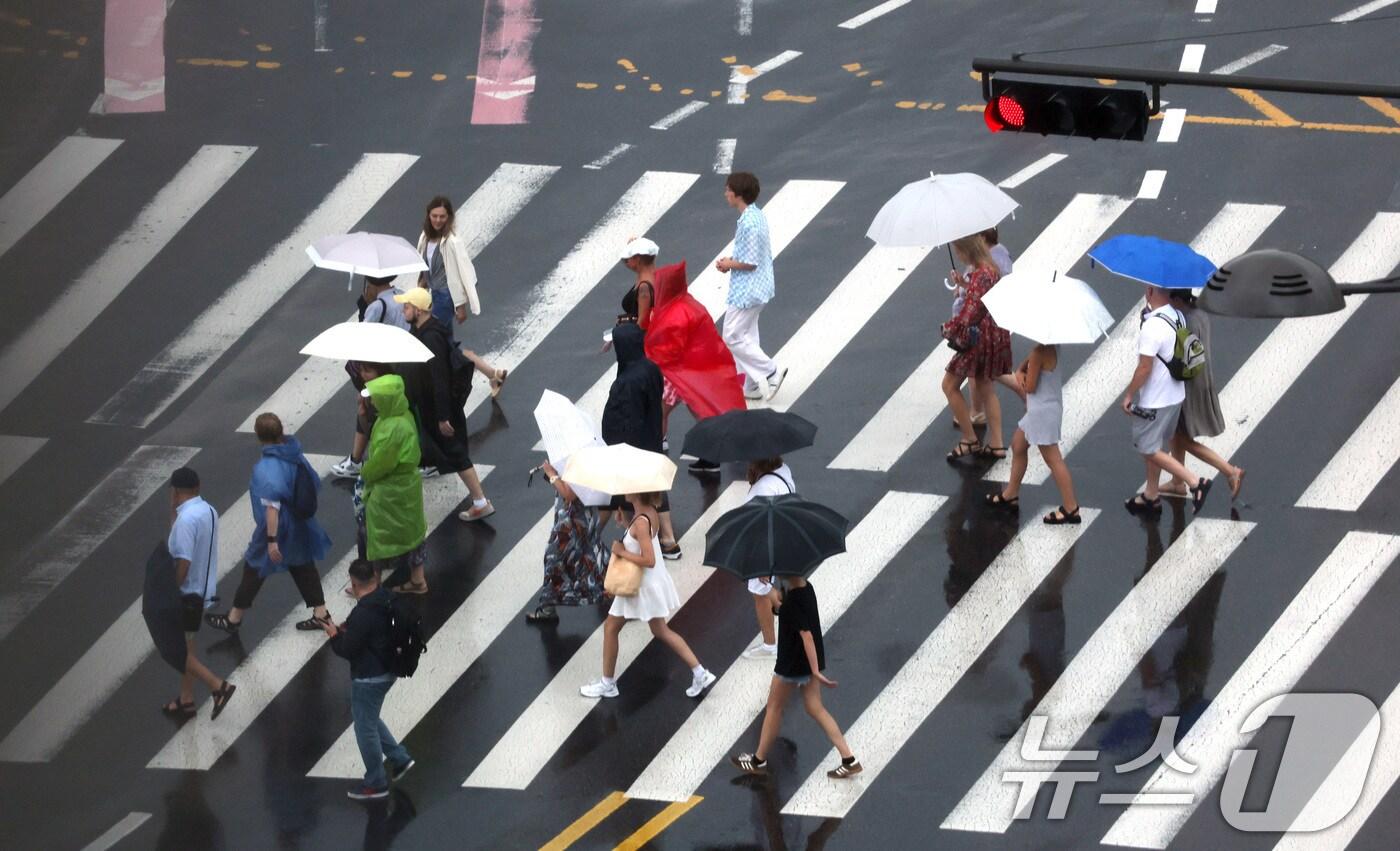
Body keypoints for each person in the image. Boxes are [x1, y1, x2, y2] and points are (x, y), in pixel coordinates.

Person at [206, 413, 334, 633]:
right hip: (299, 522)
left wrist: (272, 541)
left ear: (258, 435)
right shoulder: (294, 454)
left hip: (279, 527)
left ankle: (234, 618)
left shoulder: (268, 467)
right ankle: (321, 614)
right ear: (280, 430)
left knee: (255, 566)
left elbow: (272, 508)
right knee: (303, 565)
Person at [580, 492, 715, 699]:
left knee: (611, 627)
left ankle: (607, 683)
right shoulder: (648, 512)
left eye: (629, 488)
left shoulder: (642, 521)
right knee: (661, 631)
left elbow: (648, 559)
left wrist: (620, 551)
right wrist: (625, 522)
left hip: (640, 586)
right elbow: (638, 538)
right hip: (649, 584)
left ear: (637, 493)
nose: (624, 491)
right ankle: (700, 672)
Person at [730, 575, 861, 779]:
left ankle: (758, 760)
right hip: (806, 662)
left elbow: (806, 635)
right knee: (815, 707)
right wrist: (778, 602)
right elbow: (794, 618)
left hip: (791, 664)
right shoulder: (807, 589)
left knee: (774, 707)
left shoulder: (792, 602)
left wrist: (816, 670)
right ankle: (849, 759)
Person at [395, 287, 495, 523]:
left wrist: (442, 417)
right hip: (434, 406)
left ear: (418, 310)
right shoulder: (426, 329)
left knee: (456, 453)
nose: (403, 310)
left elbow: (439, 379)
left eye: (407, 307)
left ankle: (480, 501)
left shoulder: (431, 338)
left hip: (439, 409)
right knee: (452, 451)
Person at [324, 559, 414, 800]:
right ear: (375, 578)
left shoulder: (363, 613)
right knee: (369, 718)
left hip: (369, 677)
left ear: (354, 584)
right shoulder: (385, 598)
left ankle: (376, 782)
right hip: (390, 668)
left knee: (364, 728)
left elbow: (347, 649)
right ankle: (400, 758)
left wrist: (333, 634)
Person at [1121, 285, 1212, 515]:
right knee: (1156, 445)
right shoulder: (1177, 315)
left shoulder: (1152, 326)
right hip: (1175, 395)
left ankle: (1194, 482)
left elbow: (1144, 368)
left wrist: (1130, 394)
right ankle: (1151, 495)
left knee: (1148, 448)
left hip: (1155, 400)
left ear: (1150, 292)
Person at [601, 321, 681, 558]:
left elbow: (624, 419)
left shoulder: (626, 381)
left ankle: (628, 542)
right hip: (652, 440)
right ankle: (668, 540)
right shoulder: (651, 368)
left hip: (631, 449)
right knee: (654, 490)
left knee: (623, 497)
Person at [164, 467, 236, 719]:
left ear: (175, 491)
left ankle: (218, 686)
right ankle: (186, 698)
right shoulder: (208, 511)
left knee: (175, 651)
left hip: (186, 595)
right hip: (202, 593)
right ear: (197, 487)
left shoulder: (185, 521)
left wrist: (170, 591)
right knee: (188, 646)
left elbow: (182, 562)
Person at [416, 195, 507, 396]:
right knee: (445, 345)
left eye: (442, 216)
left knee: (438, 343)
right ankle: (493, 373)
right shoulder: (425, 237)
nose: (438, 220)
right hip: (434, 295)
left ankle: (486, 374)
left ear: (449, 217)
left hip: (445, 298)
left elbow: (460, 274)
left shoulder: (451, 242)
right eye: (434, 216)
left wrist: (460, 306)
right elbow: (424, 266)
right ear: (428, 215)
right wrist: (421, 285)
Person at [1160, 290, 1245, 501]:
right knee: (1176, 434)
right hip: (1202, 379)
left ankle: (1230, 471)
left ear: (1177, 299)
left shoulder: (1185, 322)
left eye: (1170, 299)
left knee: (1182, 437)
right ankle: (1177, 482)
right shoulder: (1200, 313)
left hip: (1188, 386)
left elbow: (1179, 354)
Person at [985, 345, 1082, 524]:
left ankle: (1071, 508)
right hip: (1047, 408)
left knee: (1053, 459)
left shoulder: (1038, 353)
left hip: (1041, 412)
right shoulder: (1053, 348)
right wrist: (1026, 365)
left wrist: (1020, 375)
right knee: (1018, 445)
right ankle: (1011, 494)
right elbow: (1032, 367)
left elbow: (1029, 387)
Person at [716, 172, 786, 403]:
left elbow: (751, 260)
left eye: (728, 190)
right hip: (758, 288)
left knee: (733, 336)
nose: (725, 194)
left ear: (738, 194)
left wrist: (728, 264)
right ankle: (752, 383)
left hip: (748, 291)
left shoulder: (750, 223)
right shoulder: (755, 215)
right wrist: (731, 262)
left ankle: (770, 371)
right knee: (748, 335)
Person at [943, 234, 1013, 462]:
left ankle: (969, 439)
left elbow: (970, 315)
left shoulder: (981, 275)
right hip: (992, 334)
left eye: (959, 251)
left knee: (949, 386)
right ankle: (997, 444)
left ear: (967, 250)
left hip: (978, 339)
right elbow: (980, 296)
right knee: (986, 387)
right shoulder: (988, 269)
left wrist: (948, 328)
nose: (958, 256)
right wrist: (965, 284)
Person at [360, 373, 430, 593]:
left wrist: (365, 472)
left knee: (377, 537)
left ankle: (373, 583)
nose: (372, 401)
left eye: (375, 397)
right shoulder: (401, 416)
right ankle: (417, 580)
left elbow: (381, 463)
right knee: (413, 534)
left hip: (388, 491)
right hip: (407, 488)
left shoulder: (391, 427)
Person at [334, 275, 408, 480]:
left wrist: (364, 306)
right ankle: (360, 457)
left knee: (369, 407)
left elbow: (363, 337)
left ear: (372, 284)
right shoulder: (402, 295)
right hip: (403, 362)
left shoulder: (377, 306)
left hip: (381, 365)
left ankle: (357, 460)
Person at [525, 460, 609, 623]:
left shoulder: (579, 462)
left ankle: (624, 588)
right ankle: (548, 606)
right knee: (590, 555)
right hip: (577, 518)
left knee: (555, 559)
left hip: (571, 523)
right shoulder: (577, 459)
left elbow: (569, 494)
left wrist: (551, 474)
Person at [739, 457, 794, 661]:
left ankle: (770, 644)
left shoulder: (762, 488)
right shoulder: (783, 470)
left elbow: (760, 524)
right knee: (763, 590)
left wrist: (761, 560)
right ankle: (795, 619)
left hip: (764, 546)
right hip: (782, 537)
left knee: (759, 593)